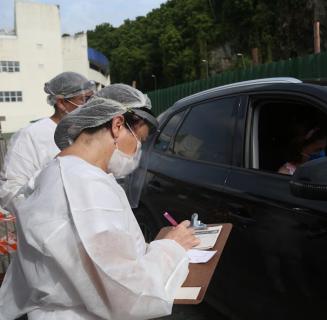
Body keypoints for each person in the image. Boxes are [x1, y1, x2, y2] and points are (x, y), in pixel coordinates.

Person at [0, 97, 200, 319]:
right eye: (138, 139)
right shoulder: (84, 185)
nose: (137, 150)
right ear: (116, 126)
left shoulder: (56, 171)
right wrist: (172, 247)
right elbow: (123, 290)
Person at [0, 72, 96, 212]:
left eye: (91, 98)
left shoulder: (90, 131)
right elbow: (10, 193)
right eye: (84, 99)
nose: (90, 104)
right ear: (62, 103)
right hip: (50, 225)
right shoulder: (32, 135)